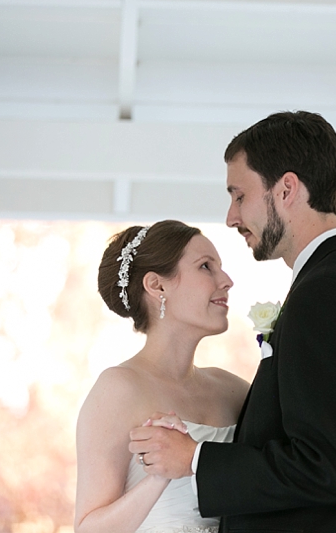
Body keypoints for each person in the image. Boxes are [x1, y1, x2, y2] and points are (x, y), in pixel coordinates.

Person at [130, 111, 336, 532]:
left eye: (239, 195)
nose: (231, 216)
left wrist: (194, 458)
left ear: (286, 189)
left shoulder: (328, 294)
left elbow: (329, 467)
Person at [74, 220, 249, 533]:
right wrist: (158, 477)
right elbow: (89, 528)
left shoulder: (233, 391)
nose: (226, 280)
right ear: (157, 286)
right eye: (206, 267)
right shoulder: (118, 389)